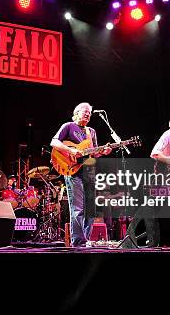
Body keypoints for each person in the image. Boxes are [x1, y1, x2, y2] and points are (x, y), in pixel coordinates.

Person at [50, 102, 112, 247]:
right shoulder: (68, 126)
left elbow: (93, 154)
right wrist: (71, 151)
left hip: (89, 171)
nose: (88, 115)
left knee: (90, 209)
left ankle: (85, 240)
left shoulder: (92, 132)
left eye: (89, 113)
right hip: (72, 170)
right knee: (78, 208)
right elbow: (54, 142)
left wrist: (103, 152)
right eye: (85, 112)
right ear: (76, 113)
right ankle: (78, 242)